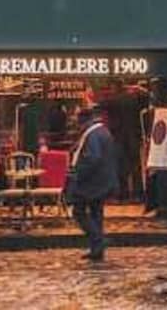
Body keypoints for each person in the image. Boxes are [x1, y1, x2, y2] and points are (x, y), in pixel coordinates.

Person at [69, 106, 118, 262]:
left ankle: (98, 240)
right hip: (102, 180)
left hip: (93, 182)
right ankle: (97, 250)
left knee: (78, 211)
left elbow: (93, 157)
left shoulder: (93, 134)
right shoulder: (102, 131)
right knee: (96, 213)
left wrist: (79, 173)